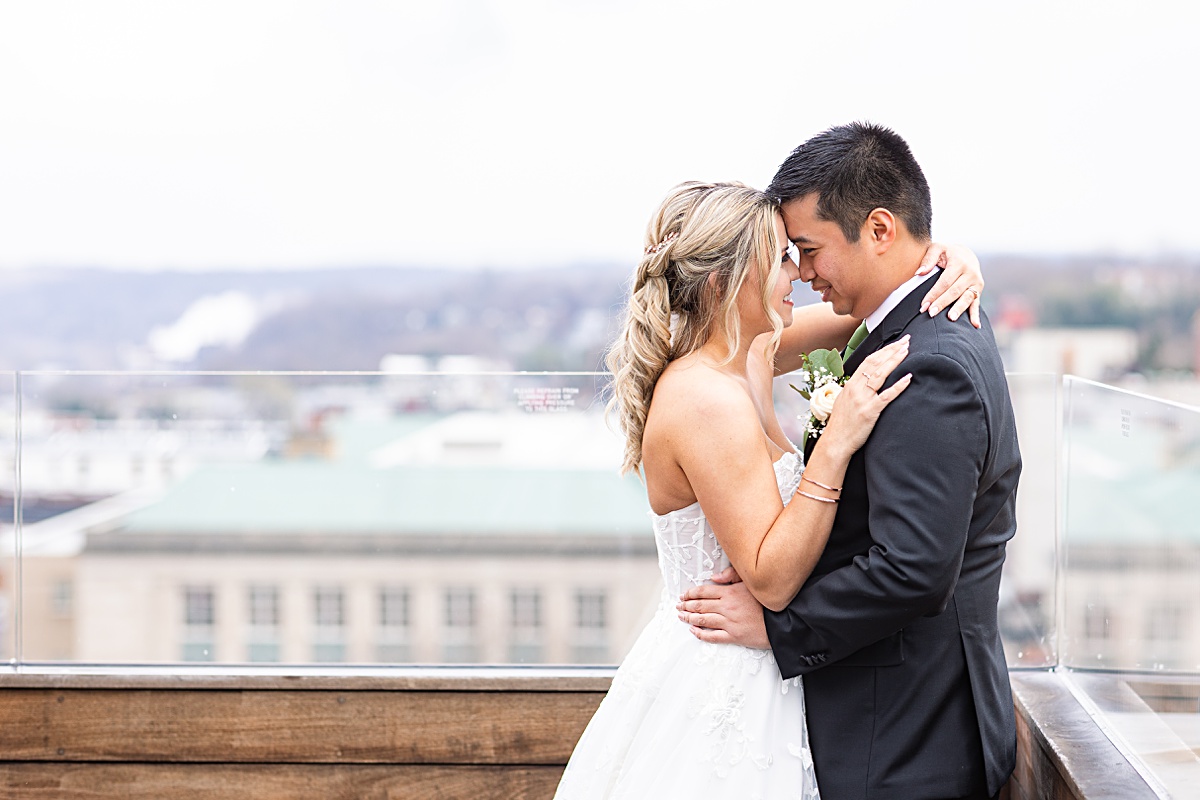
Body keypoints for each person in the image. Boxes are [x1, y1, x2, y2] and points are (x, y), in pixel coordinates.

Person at [553, 179, 987, 798]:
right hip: (719, 674)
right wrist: (834, 445)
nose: (799, 274)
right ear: (724, 284)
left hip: (767, 669)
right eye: (781, 259)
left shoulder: (750, 352)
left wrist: (945, 261)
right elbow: (771, 577)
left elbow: (854, 312)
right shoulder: (703, 398)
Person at [679, 123, 1022, 800]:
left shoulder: (930, 363)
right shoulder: (892, 331)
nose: (801, 274)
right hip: (878, 724)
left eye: (807, 250)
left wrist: (780, 628)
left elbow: (915, 569)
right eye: (788, 257)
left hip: (908, 735)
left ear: (881, 230)